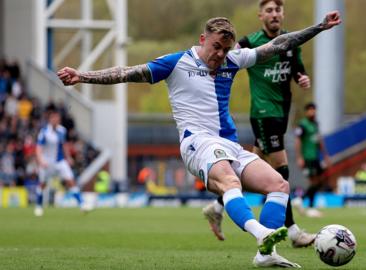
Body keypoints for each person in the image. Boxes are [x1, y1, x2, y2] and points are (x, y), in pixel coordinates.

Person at [57, 13, 341, 268]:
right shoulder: (176, 62)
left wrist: (319, 27)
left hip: (227, 145)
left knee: (279, 185)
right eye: (216, 47)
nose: (220, 54)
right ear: (203, 39)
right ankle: (261, 232)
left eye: (226, 49)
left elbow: (278, 45)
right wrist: (82, 75)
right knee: (230, 182)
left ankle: (266, 254)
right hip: (196, 143)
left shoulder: (233, 60)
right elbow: (125, 73)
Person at [202, 0, 316, 248]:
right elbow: (228, 55)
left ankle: (217, 207)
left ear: (282, 14)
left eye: (278, 10)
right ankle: (293, 230)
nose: (274, 14)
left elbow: (296, 64)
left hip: (282, 110)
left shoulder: (288, 40)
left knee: (252, 167)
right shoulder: (250, 41)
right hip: (264, 112)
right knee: (281, 168)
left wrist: (301, 76)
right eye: (269, 11)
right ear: (260, 16)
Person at [34, 107, 87, 217]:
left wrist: (68, 157)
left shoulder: (62, 130)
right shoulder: (44, 132)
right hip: (47, 162)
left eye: (57, 118)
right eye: (54, 117)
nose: (56, 119)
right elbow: (38, 148)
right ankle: (38, 206)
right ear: (50, 119)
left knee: (70, 180)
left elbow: (64, 145)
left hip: (60, 161)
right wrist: (41, 161)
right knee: (42, 184)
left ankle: (82, 204)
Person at [293, 102, 331, 217]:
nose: (312, 112)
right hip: (307, 157)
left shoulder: (315, 124)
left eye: (313, 109)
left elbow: (319, 141)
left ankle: (300, 200)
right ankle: (310, 207)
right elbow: (298, 141)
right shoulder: (302, 125)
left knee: (319, 180)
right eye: (310, 109)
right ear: (306, 112)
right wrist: (299, 157)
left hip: (315, 157)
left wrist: (325, 156)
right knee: (313, 181)